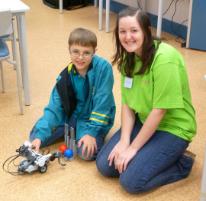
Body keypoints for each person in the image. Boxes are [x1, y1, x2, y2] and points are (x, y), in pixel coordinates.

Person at [96, 8, 197, 193]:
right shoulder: (129, 56)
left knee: (131, 182)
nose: (128, 37)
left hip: (173, 128)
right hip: (144, 121)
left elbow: (159, 111)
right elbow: (127, 103)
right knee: (105, 166)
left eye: (134, 30)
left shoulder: (165, 59)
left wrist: (133, 148)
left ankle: (182, 163)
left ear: (146, 30)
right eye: (122, 31)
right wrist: (124, 141)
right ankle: (148, 151)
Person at [29, 28, 116, 160]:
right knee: (35, 135)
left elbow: (103, 103)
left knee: (86, 154)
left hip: (93, 119)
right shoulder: (64, 77)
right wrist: (39, 137)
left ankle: (86, 135)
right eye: (76, 51)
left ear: (94, 52)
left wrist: (91, 133)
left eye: (86, 53)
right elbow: (54, 108)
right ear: (69, 50)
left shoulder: (104, 68)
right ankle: (71, 131)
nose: (80, 57)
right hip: (73, 116)